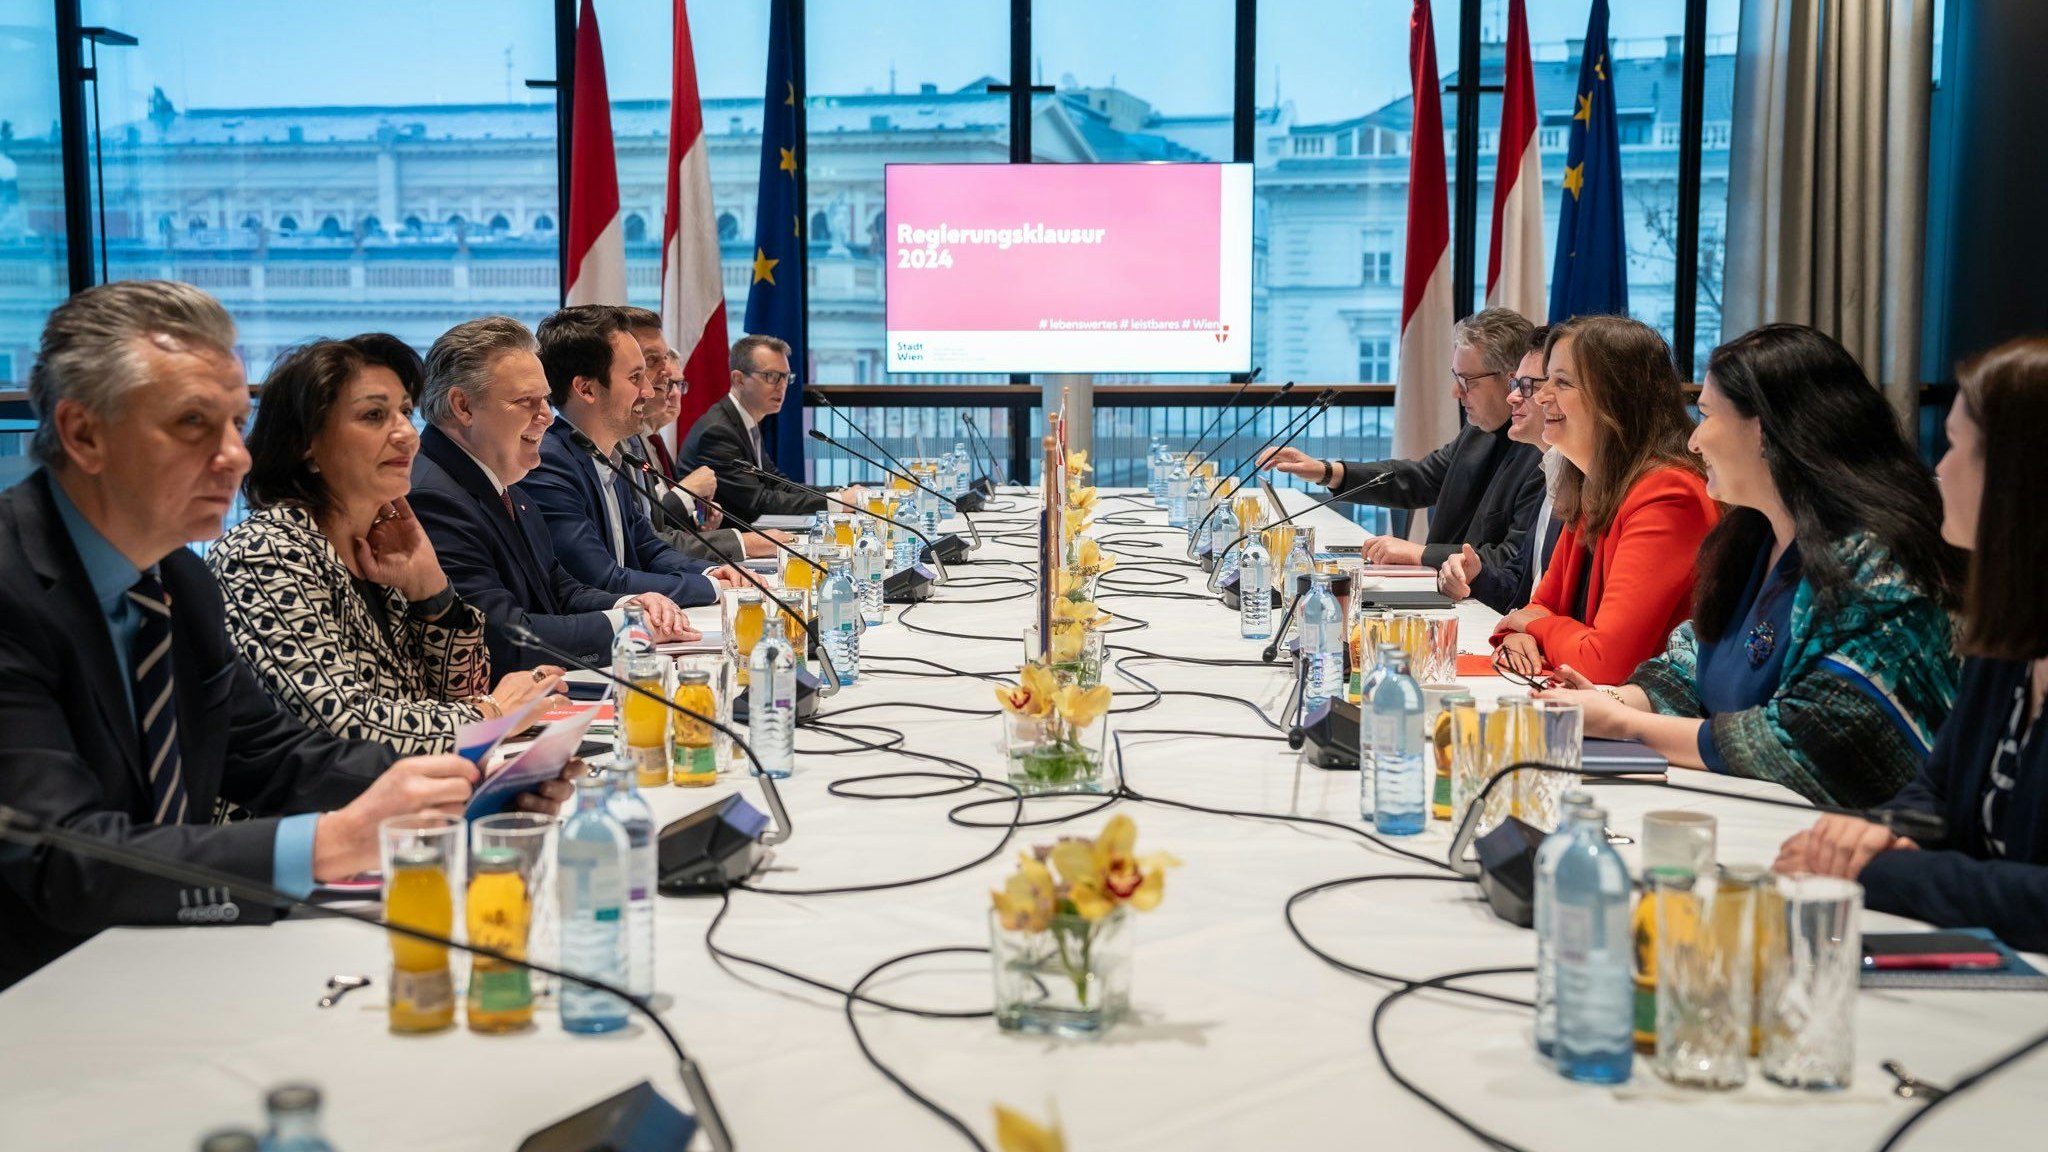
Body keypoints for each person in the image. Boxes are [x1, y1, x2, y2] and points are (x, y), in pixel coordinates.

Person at [0, 281, 569, 989]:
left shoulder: (179, 579)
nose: (234, 457)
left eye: (236, 424)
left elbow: (276, 757)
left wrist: (472, 787)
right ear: (84, 434)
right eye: (192, 425)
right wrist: (331, 841)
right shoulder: (14, 588)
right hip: (40, 1001)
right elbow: (61, 856)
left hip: (168, 966)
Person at [1538, 324, 1962, 808]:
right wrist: (1608, 702)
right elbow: (1688, 665)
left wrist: (1628, 724)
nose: (1694, 441)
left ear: (1763, 430)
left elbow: (1812, 740)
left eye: (1706, 415)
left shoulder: (1876, 564)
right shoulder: (1754, 536)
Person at [1774, 336, 2048, 950]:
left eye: (1957, 446)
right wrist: (1874, 833)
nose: (1940, 468)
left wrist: (1879, 870)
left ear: (2019, 481)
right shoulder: (2007, 634)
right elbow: (1940, 790)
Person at [207, 335, 567, 756]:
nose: (405, 434)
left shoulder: (382, 543)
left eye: (403, 412)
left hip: (414, 798)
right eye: (374, 415)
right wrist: (490, 716)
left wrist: (434, 593)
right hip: (311, 817)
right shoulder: (262, 552)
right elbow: (347, 727)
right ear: (304, 443)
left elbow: (461, 689)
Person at [407, 316, 697, 674]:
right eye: (526, 402)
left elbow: (559, 588)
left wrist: (631, 606)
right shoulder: (435, 498)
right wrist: (626, 628)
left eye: (544, 399)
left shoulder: (502, 478)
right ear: (463, 406)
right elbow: (501, 637)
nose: (546, 416)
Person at [1489, 316, 1718, 684]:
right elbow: (1536, 608)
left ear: (1616, 397)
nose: (1543, 395)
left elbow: (1604, 662)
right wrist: (1520, 633)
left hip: (1646, 730)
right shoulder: (1593, 484)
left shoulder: (1670, 495)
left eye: (1561, 382)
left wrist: (1540, 629)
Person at [1259, 308, 1544, 567]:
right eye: (1455, 378)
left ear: (1512, 380)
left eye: (1467, 381)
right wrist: (1328, 471)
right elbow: (1418, 478)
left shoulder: (1542, 453)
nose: (1455, 392)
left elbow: (1512, 559)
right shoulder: (1478, 432)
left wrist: (1417, 554)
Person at [519, 305, 742, 607]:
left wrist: (713, 571)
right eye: (636, 377)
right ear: (586, 389)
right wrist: (711, 588)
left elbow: (647, 546)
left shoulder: (608, 453)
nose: (650, 391)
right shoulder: (550, 465)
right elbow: (604, 580)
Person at [1437, 325, 1564, 612]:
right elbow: (1521, 583)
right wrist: (1476, 574)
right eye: (1515, 385)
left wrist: (1532, 629)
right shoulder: (1555, 470)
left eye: (1527, 386)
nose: (1513, 397)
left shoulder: (1580, 484)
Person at [679, 333, 862, 523]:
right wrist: (839, 501)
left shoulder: (745, 421)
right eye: (771, 376)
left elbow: (777, 484)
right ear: (739, 379)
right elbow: (759, 501)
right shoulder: (718, 431)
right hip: (720, 542)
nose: (782, 386)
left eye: (785, 377)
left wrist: (840, 492)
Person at [616, 306, 748, 564]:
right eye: (652, 361)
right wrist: (687, 494)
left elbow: (653, 532)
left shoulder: (646, 441)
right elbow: (646, 538)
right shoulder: (618, 445)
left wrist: (697, 515)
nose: (667, 381)